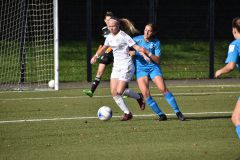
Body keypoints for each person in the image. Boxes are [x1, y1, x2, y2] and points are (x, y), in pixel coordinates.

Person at [90, 17, 148, 121]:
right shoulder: (109, 37)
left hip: (127, 65)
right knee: (114, 92)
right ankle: (128, 113)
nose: (111, 28)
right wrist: (95, 56)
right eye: (109, 26)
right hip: (116, 67)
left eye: (113, 26)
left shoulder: (124, 36)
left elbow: (136, 47)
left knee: (119, 91)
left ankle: (139, 98)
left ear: (118, 26)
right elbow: (103, 48)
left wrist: (144, 55)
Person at [132, 23, 186, 121]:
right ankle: (161, 115)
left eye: (149, 31)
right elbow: (127, 51)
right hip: (141, 70)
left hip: (153, 68)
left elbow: (157, 60)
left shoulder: (156, 42)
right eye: (145, 30)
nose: (146, 32)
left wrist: (147, 52)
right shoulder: (136, 40)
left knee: (163, 89)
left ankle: (178, 112)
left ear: (153, 32)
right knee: (145, 93)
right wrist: (136, 52)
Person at [215, 17, 240, 139]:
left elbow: (230, 66)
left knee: (236, 117)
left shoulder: (235, 45)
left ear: (234, 30)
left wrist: (220, 71)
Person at [83, 12, 114, 97]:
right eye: (107, 20)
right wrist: (96, 55)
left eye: (110, 20)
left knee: (118, 73)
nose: (108, 21)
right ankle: (91, 91)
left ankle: (125, 91)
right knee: (99, 72)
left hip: (116, 54)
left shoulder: (116, 29)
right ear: (105, 20)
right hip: (106, 54)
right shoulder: (104, 30)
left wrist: (108, 49)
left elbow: (115, 43)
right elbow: (102, 44)